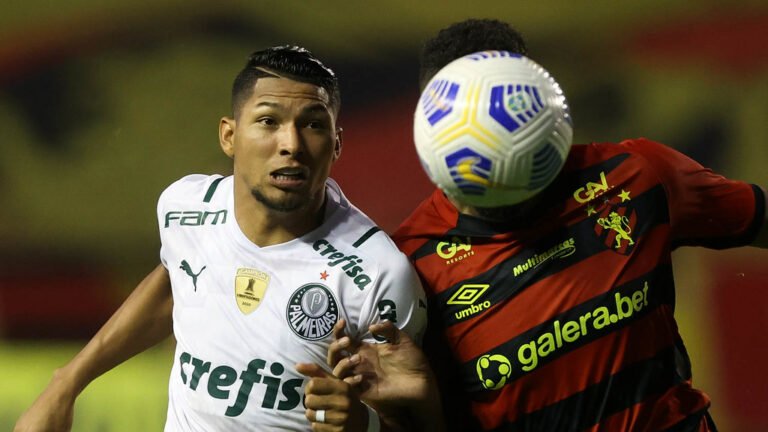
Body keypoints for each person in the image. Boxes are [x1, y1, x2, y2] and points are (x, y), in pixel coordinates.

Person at [329, 18, 768, 432]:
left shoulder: (634, 176)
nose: (494, 131)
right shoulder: (410, 264)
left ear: (539, 98)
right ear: (429, 126)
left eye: (507, 107)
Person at [14, 45, 426, 432]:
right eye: (268, 121)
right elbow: (174, 281)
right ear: (229, 136)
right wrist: (66, 382)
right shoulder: (185, 208)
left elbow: (418, 414)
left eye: (313, 124)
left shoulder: (376, 273)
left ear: (336, 144)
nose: (291, 144)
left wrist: (363, 423)